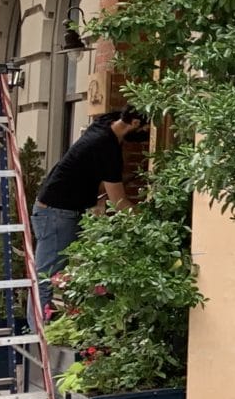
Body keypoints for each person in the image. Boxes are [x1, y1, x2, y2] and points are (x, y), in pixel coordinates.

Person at [31, 108, 149, 294]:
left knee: (61, 276)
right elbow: (120, 203)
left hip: (56, 210)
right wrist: (149, 221)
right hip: (57, 214)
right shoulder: (105, 146)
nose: (146, 135)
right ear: (134, 123)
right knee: (46, 279)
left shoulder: (106, 123)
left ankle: (48, 320)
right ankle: (37, 323)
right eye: (146, 129)